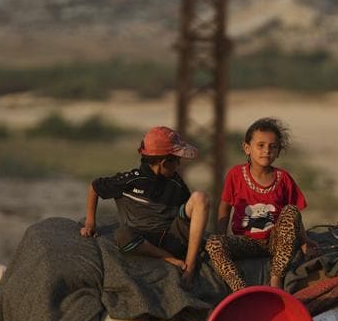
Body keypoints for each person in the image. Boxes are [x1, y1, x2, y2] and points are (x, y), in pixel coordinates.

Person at [80, 126, 211, 288]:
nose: (178, 164)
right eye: (176, 160)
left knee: (200, 197)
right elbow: (95, 187)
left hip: (173, 236)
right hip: (141, 241)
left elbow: (189, 212)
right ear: (164, 162)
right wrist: (90, 223)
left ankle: (189, 268)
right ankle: (167, 258)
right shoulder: (130, 180)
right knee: (122, 235)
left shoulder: (176, 184)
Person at [206, 118, 309, 292]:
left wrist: (305, 241)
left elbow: (294, 215)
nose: (266, 151)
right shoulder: (236, 174)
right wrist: (222, 236)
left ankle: (276, 278)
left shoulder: (283, 178)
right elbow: (225, 207)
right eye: (260, 145)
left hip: (275, 242)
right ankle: (239, 289)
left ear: (278, 151)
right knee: (213, 243)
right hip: (246, 241)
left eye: (272, 146)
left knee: (290, 210)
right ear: (247, 148)